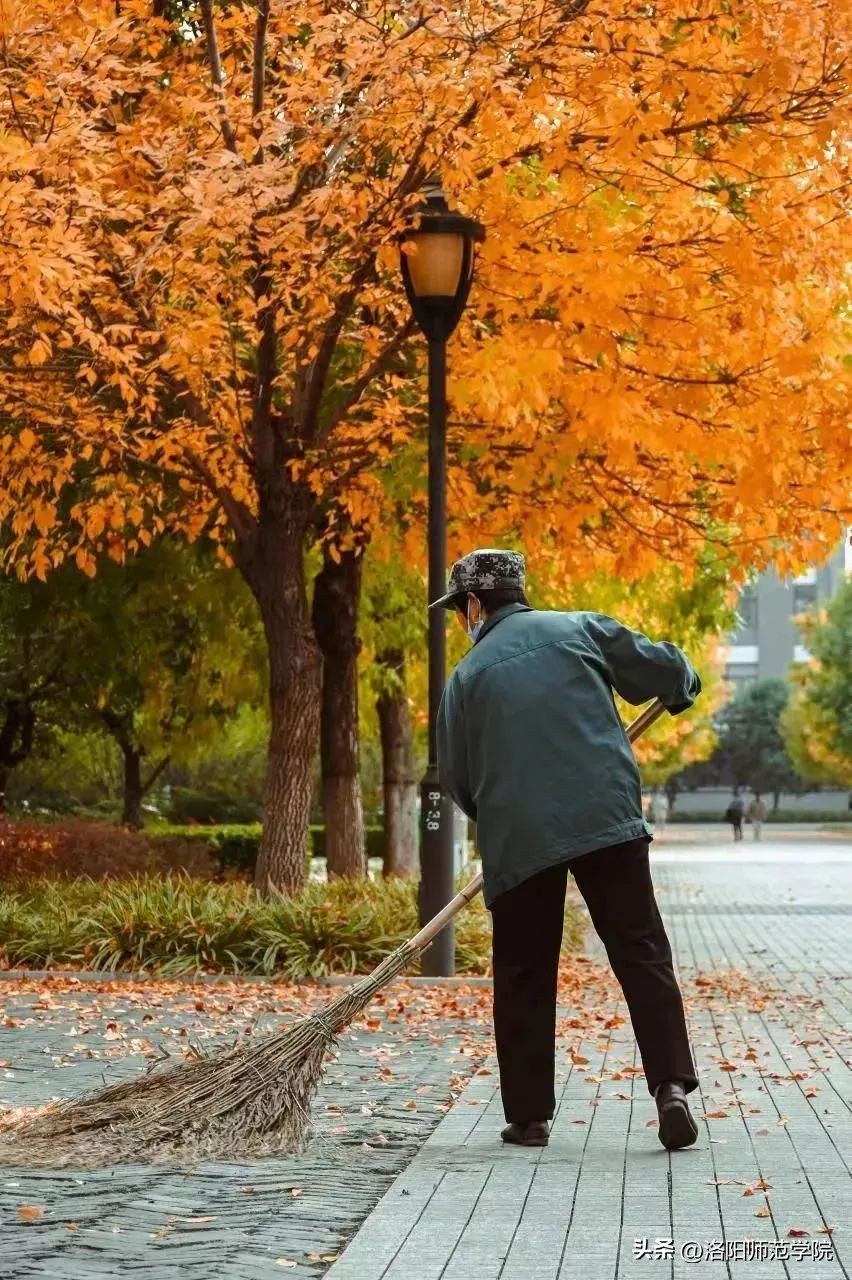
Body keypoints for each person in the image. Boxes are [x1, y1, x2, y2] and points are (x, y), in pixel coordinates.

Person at [434, 549, 702, 1152]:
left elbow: (457, 777)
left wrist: (502, 818)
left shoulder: (466, 677)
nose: (461, 621)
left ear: (475, 606)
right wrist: (683, 683)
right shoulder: (578, 627)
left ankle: (528, 1118)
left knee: (524, 969)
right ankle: (671, 1090)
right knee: (640, 952)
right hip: (605, 815)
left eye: (460, 610)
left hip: (519, 833)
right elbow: (662, 670)